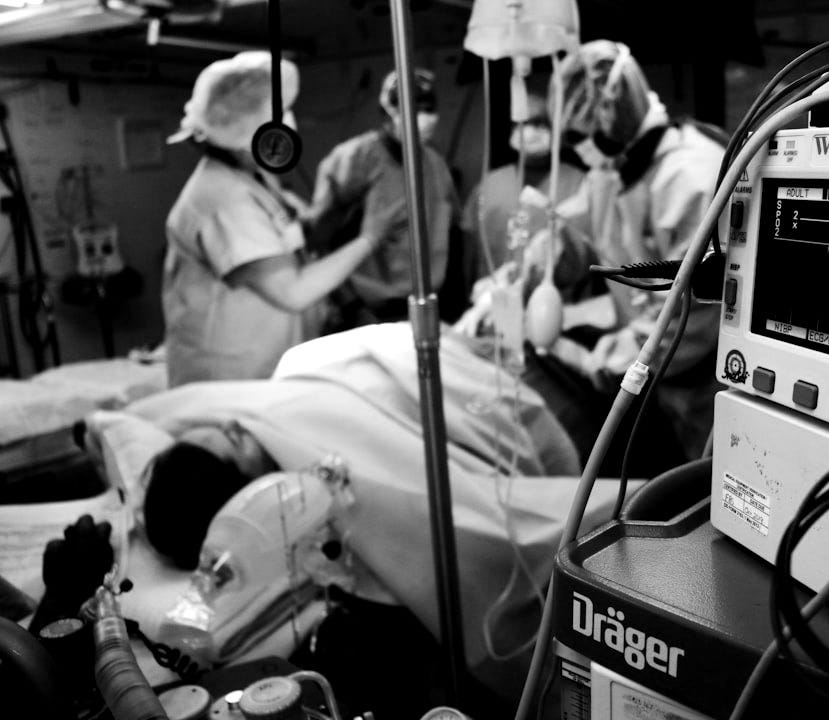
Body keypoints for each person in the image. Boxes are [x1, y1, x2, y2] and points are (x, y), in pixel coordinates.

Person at [82, 322, 630, 703]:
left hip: (431, 355)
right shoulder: (322, 468)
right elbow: (471, 526)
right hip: (518, 386)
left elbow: (134, 419)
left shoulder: (239, 416)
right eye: (223, 436)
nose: (227, 420)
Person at [524, 40, 727, 464]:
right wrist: (551, 253)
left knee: (711, 490)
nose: (577, 148)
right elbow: (598, 245)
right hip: (661, 383)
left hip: (701, 385)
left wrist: (588, 358)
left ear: (609, 119)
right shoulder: (612, 173)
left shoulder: (690, 179)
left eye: (578, 135)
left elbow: (680, 324)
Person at [162, 51, 398, 387]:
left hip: (268, 365)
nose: (287, 124)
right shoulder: (222, 201)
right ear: (246, 131)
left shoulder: (255, 182)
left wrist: (341, 203)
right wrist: (371, 237)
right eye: (276, 116)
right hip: (230, 379)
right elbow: (293, 291)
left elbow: (292, 240)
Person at [304, 69, 461, 328]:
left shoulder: (435, 165)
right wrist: (351, 306)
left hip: (425, 307)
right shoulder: (355, 159)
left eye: (429, 108)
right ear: (389, 111)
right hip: (367, 311)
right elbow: (320, 240)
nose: (425, 117)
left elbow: (452, 232)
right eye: (415, 108)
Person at [459, 88, 587, 288]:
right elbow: (469, 250)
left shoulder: (578, 182)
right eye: (522, 124)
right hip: (497, 300)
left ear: (555, 128)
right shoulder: (489, 185)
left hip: (564, 303)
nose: (529, 132)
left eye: (539, 123)